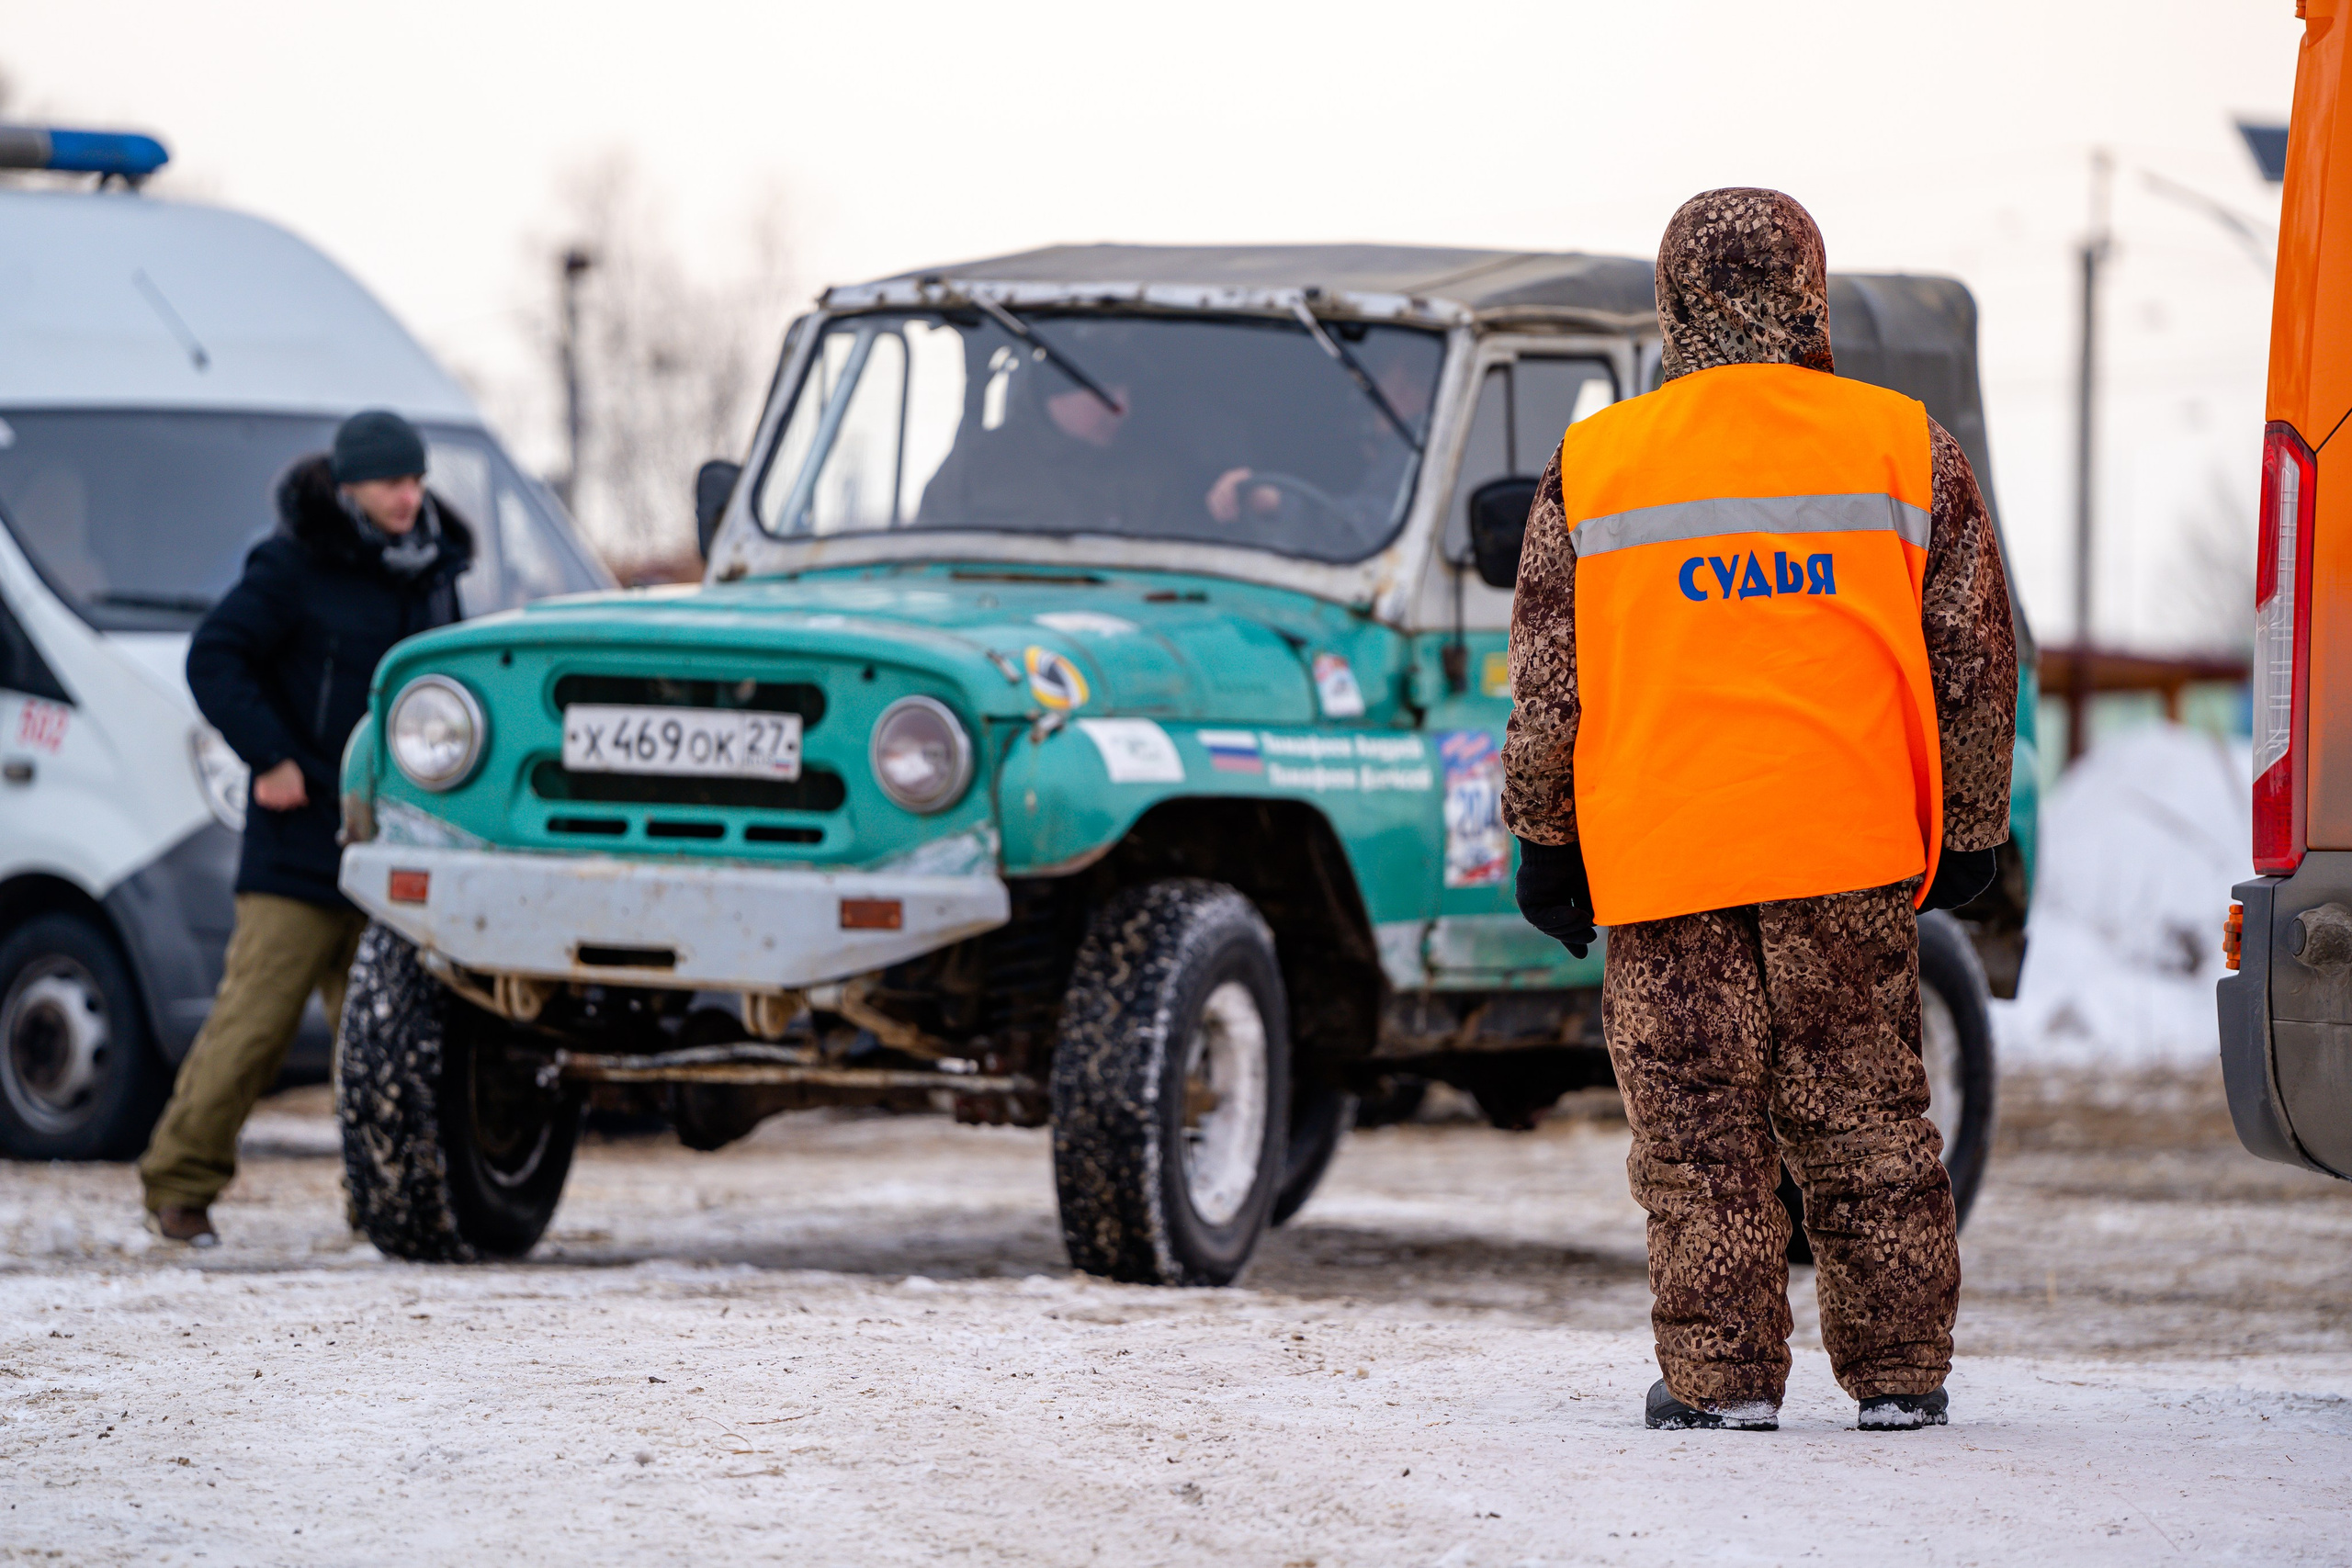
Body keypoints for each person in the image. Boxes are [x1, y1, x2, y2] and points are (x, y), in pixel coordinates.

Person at [1500, 189, 2017, 1433]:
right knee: (1865, 1114)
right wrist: (1971, 828)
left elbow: (1551, 677)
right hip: (1846, 846)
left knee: (1696, 1131)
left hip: (1665, 851)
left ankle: (1722, 1383)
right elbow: (1974, 658)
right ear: (1809, 290)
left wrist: (1544, 836)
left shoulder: (1600, 460)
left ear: (1671, 301)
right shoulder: (1903, 446)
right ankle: (1901, 1375)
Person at [138, 410, 473, 1246]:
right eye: (392, 482)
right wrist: (271, 756)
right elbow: (214, 656)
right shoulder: (290, 565)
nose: (409, 496)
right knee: (253, 1027)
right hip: (295, 846)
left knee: (388, 1050)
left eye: (416, 480)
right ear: (350, 485)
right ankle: (179, 1187)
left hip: (391, 844)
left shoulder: (434, 573)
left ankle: (383, 1207)